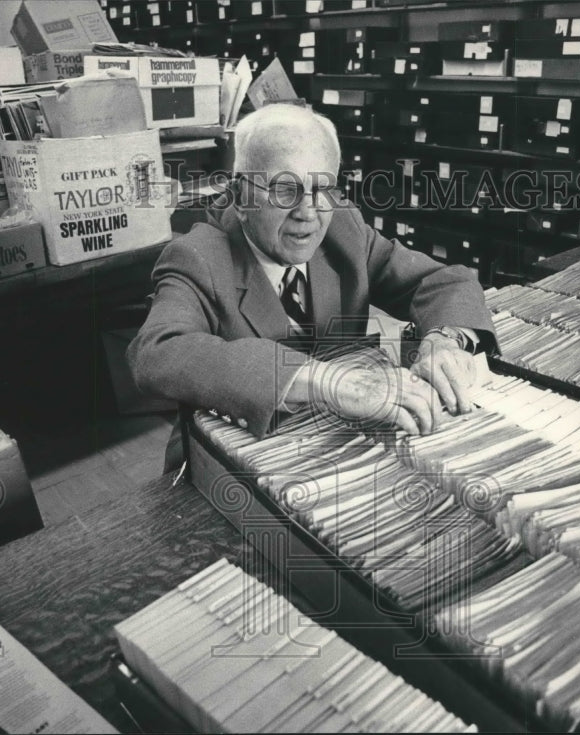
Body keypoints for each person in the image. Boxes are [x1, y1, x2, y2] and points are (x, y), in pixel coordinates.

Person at [128, 103, 497, 471]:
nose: (308, 211)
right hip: (232, 464)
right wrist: (324, 380)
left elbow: (442, 281)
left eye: (322, 188)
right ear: (241, 197)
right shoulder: (197, 256)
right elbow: (156, 353)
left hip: (341, 446)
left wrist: (445, 340)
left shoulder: (344, 230)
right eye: (285, 189)